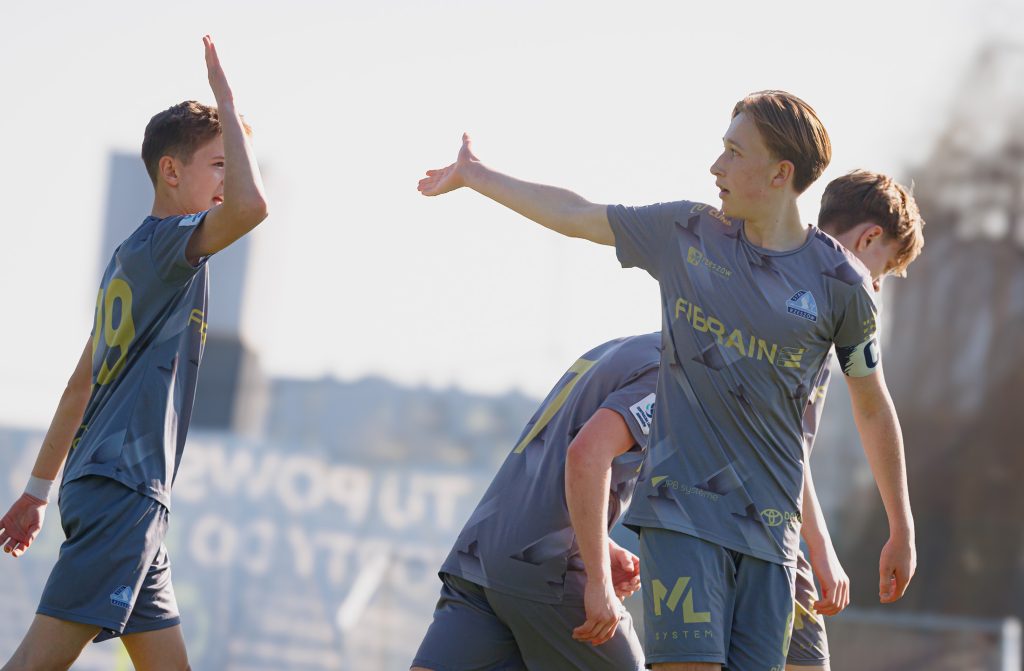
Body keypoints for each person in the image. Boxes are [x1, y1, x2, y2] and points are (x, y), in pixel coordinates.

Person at [418, 91, 917, 670]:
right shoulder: (687, 232)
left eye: (734, 152)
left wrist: (901, 526)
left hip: (772, 542)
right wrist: (477, 176)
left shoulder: (843, 284)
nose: (716, 166)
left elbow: (872, 405)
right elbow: (578, 214)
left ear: (780, 174)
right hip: (682, 521)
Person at [0, 35, 268, 671]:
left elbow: (80, 385)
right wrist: (228, 103)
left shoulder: (131, 257)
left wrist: (36, 491)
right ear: (171, 172)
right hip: (123, 488)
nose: (230, 180)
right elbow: (254, 207)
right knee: (37, 664)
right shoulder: (171, 246)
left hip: (114, 489)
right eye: (219, 164)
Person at [412, 333, 660, 670]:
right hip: (544, 566)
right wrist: (598, 579)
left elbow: (550, 470)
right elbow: (586, 455)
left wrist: (599, 544)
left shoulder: (620, 349)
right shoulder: (668, 372)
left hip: (480, 553)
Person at [785, 170, 925, 670]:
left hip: (775, 522)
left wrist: (819, 545)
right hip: (734, 524)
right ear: (868, 238)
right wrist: (900, 529)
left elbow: (784, 444)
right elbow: (871, 406)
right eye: (881, 271)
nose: (876, 287)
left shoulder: (799, 283)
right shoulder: (832, 295)